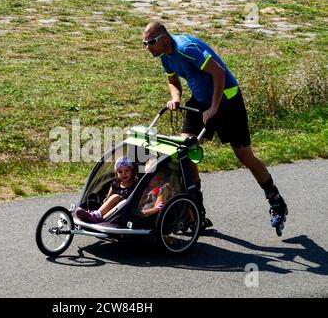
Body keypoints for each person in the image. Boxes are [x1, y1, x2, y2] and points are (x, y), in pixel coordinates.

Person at [142, 22, 288, 231]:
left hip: (227, 100)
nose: (148, 47)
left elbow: (218, 73)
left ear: (164, 37)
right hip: (202, 100)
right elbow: (173, 80)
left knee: (244, 155)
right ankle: (195, 212)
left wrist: (214, 107)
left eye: (151, 42)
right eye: (144, 44)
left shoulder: (187, 49)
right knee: (185, 149)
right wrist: (175, 97)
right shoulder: (165, 56)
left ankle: (275, 200)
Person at [76, 157, 137, 223]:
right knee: (104, 198)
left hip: (125, 210)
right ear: (116, 174)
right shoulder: (115, 184)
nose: (123, 174)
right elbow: (108, 198)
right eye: (120, 172)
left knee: (117, 198)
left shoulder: (135, 185)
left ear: (132, 171)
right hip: (112, 209)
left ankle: (98, 218)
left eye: (127, 170)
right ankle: (94, 215)